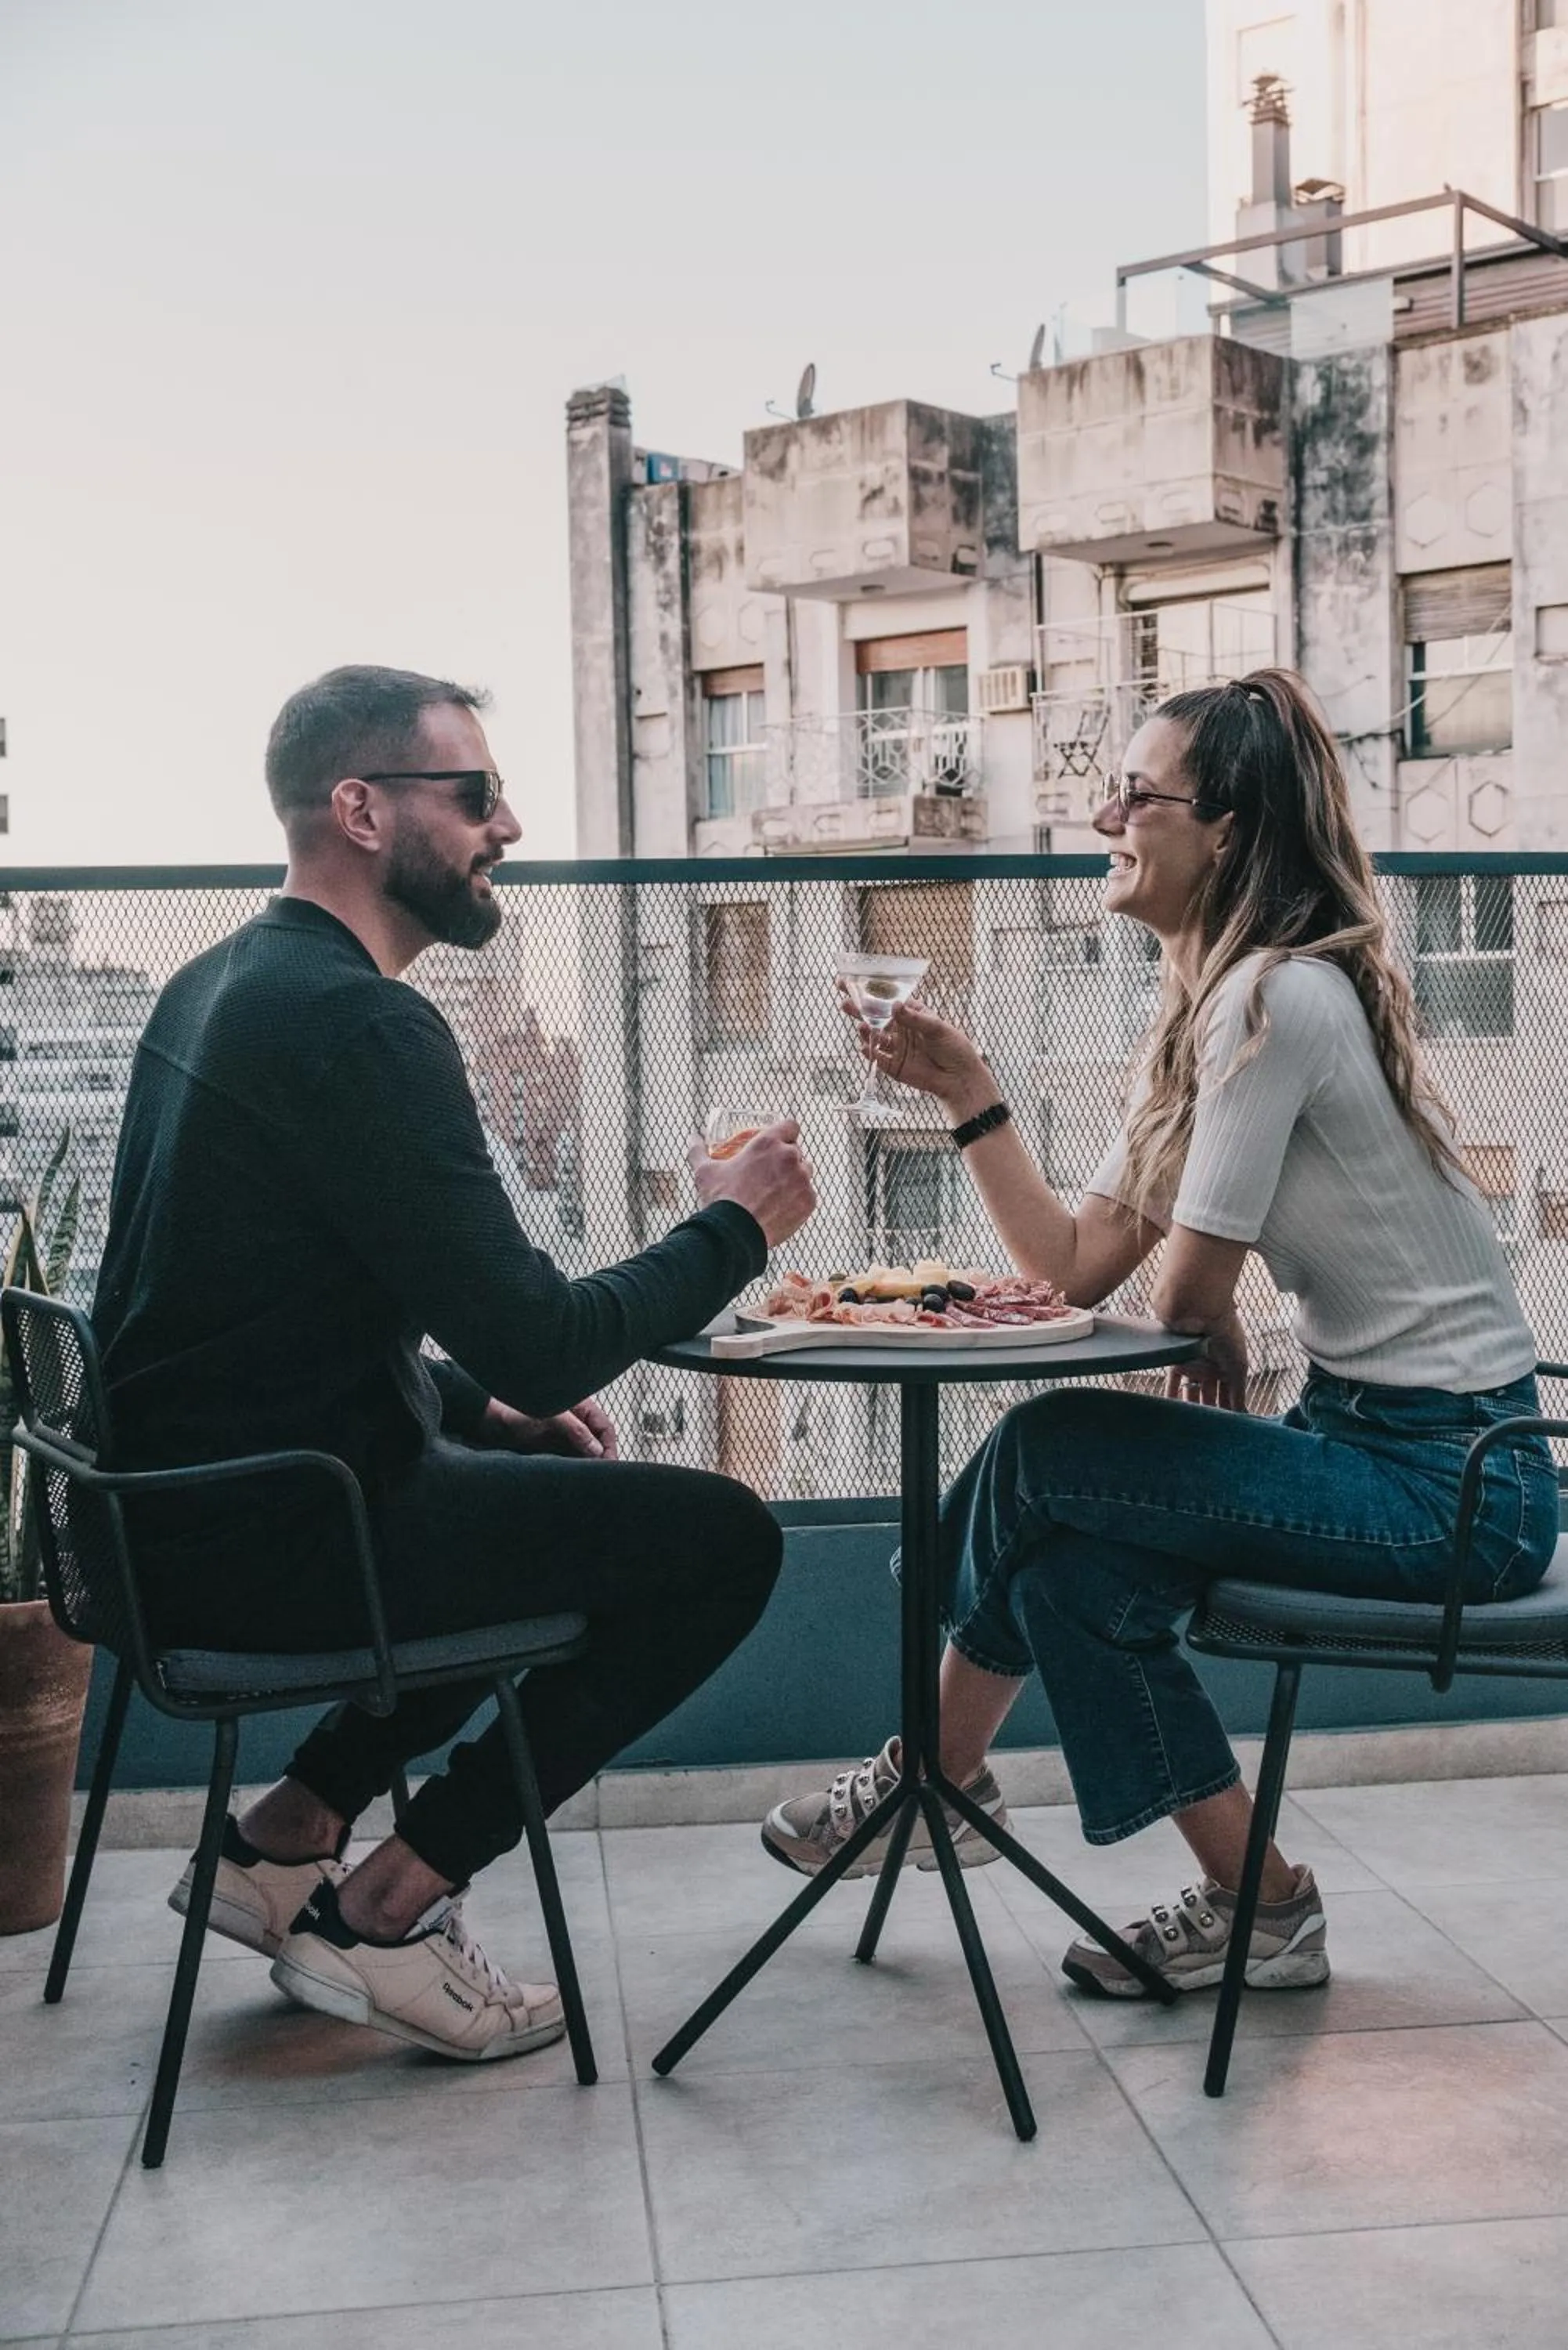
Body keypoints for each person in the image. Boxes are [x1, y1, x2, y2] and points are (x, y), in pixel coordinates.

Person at [762, 668, 1557, 1999]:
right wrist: (968, 1094)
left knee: (1044, 1449)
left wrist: (1210, 1312)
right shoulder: (1206, 1015)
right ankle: (1264, 1909)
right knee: (1070, 1577)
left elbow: (1178, 1302)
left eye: (1135, 796)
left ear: (1226, 830)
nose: (1102, 820)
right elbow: (1078, 1267)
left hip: (1459, 1483)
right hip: (1370, 1442)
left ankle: (926, 1777)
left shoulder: (1273, 999)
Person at [93, 663, 815, 2061]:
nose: (511, 825)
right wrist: (734, 1228)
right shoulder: (357, 1024)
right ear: (361, 810)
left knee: (525, 1498)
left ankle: (284, 1838)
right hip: (272, 1543)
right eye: (476, 794)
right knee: (720, 1545)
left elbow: (238, 1327)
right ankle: (387, 1912)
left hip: (179, 1523)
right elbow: (545, 1337)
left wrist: (482, 1408)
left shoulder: (217, 983)